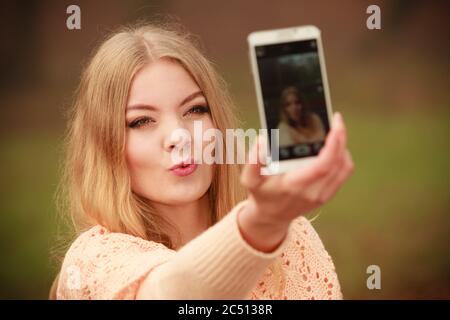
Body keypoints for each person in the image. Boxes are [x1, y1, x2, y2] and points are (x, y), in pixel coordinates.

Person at [53, 22, 354, 300]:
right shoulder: (93, 260)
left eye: (195, 110)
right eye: (142, 121)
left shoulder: (290, 236)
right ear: (105, 145)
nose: (179, 136)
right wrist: (261, 222)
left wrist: (271, 222)